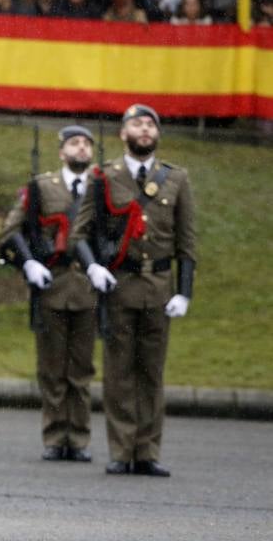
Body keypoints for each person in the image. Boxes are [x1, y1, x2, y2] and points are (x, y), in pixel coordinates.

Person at [71, 105, 195, 477]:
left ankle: (148, 452)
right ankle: (121, 450)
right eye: (137, 124)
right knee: (119, 371)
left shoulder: (176, 179)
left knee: (151, 373)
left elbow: (187, 242)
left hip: (159, 288)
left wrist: (184, 291)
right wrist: (92, 266)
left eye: (150, 124)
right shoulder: (103, 177)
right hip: (120, 286)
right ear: (123, 134)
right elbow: (80, 233)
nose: (145, 129)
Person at [0, 125, 98, 462]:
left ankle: (79, 438)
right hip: (52, 285)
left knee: (81, 370)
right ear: (61, 152)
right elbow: (12, 230)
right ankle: (56, 436)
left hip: (88, 287)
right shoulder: (41, 187)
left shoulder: (103, 188)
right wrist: (28, 263)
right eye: (74, 143)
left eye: (86, 144)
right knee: (53, 368)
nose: (81, 148)